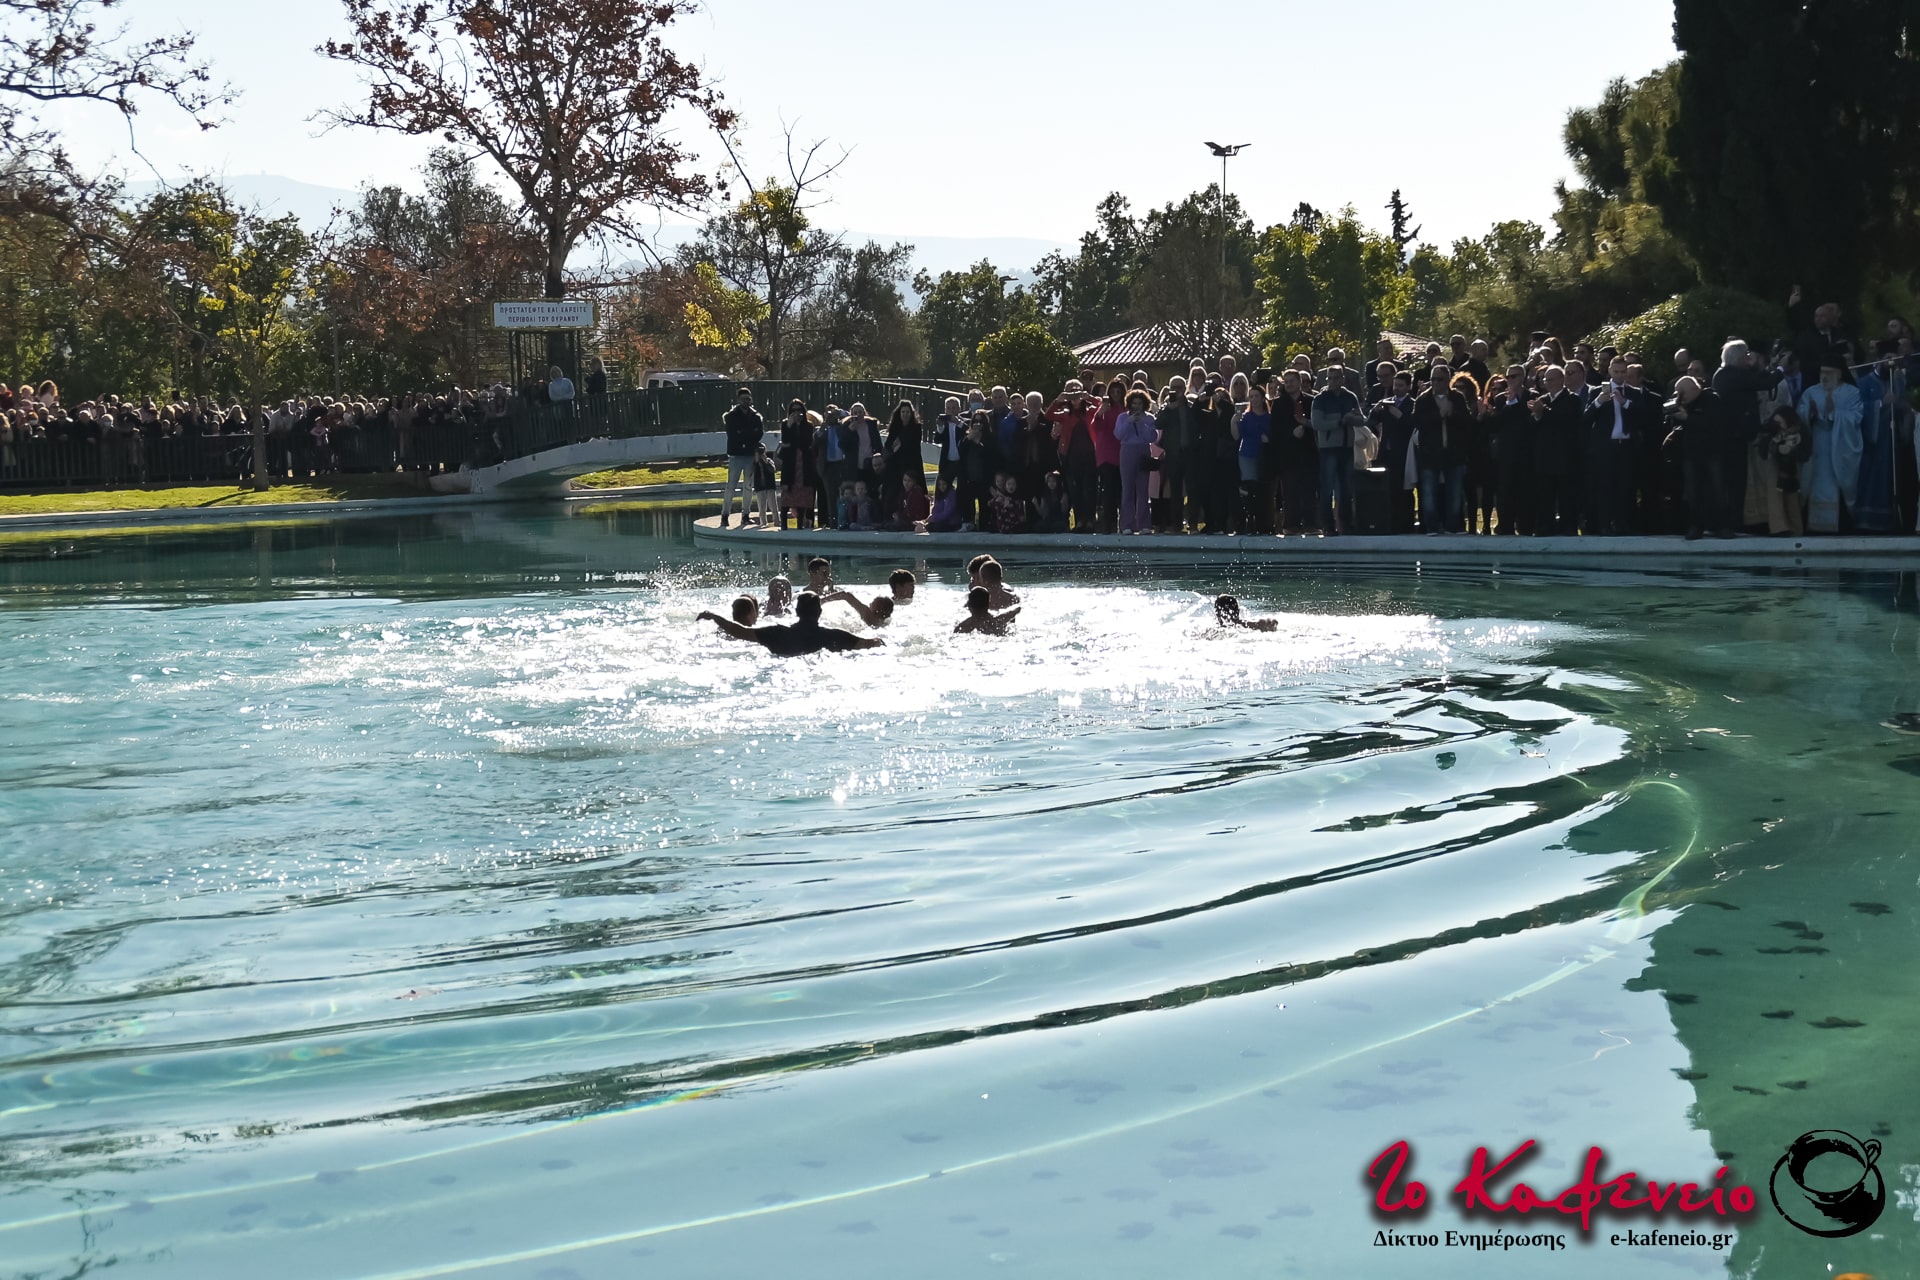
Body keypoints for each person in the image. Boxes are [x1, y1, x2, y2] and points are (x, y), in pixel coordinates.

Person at [699, 590, 885, 655]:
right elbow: (869, 644)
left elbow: (739, 631)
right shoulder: (834, 635)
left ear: (796, 612)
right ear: (819, 612)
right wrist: (878, 640)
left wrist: (715, 617)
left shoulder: (776, 633)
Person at [1664, 375, 1736, 539]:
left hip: (1712, 453)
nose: (1680, 396)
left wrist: (1688, 418)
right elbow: (1674, 429)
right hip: (1691, 454)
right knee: (1692, 491)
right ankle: (1696, 526)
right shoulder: (1683, 405)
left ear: (1694, 389)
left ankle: (1723, 526)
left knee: (1718, 490)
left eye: (1682, 393)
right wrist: (1674, 414)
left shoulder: (1711, 399)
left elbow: (1712, 423)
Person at [1799, 354, 1864, 532]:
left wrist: (1835, 413)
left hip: (1840, 445)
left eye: (1829, 373)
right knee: (1813, 480)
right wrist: (1809, 414)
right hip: (1817, 444)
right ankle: (1813, 525)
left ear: (1839, 374)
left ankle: (1842, 524)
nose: (1825, 377)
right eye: (1822, 372)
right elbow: (1800, 414)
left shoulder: (1852, 393)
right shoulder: (1811, 392)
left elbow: (1856, 417)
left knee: (1839, 480)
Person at [1310, 360, 1362, 534]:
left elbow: (1361, 419)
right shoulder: (1320, 399)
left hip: (1346, 448)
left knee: (1346, 490)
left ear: (1343, 379)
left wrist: (1350, 419)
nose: (1333, 381)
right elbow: (1317, 423)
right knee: (1327, 489)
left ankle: (1346, 526)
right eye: (1330, 378)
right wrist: (1340, 421)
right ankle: (1328, 526)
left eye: (1336, 378)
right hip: (1328, 449)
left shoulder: (1350, 397)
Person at [1113, 389, 1158, 533]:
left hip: (1143, 451)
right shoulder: (1122, 417)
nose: (1137, 406)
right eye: (1134, 403)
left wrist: (1143, 424)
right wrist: (1129, 422)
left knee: (1143, 490)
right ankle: (1127, 525)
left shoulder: (1149, 418)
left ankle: (1144, 524)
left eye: (1139, 403)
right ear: (1129, 404)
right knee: (1127, 490)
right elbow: (1118, 435)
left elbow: (1153, 437)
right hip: (1127, 451)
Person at [955, 586, 1020, 635]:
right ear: (989, 604)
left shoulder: (963, 627)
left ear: (969, 605)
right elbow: (1016, 610)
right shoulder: (998, 620)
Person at [822, 589, 895, 628]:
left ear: (877, 608)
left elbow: (846, 595)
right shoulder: (885, 622)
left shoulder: (867, 614)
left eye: (872, 603)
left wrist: (821, 600)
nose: (869, 604)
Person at [749, 442, 779, 527]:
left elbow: (773, 470)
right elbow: (750, 472)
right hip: (760, 487)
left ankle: (777, 522)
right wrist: (756, 460)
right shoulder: (754, 462)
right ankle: (763, 522)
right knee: (761, 507)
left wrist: (766, 462)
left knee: (773, 506)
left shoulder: (769, 460)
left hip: (770, 486)